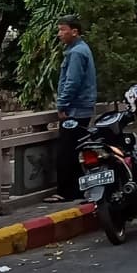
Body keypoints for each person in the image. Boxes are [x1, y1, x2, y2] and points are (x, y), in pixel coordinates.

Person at [47, 15, 97, 203]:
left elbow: (72, 82)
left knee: (66, 152)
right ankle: (76, 189)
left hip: (75, 110)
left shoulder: (76, 52)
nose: (59, 34)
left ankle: (66, 192)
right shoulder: (80, 49)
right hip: (82, 108)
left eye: (62, 30)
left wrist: (61, 105)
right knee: (75, 150)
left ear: (74, 31)